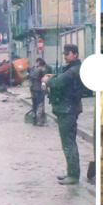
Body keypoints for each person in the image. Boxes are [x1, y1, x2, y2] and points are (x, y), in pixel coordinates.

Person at [42, 44, 85, 185]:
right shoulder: (71, 68)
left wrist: (48, 80)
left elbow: (59, 82)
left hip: (68, 110)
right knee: (67, 142)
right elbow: (60, 77)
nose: (65, 56)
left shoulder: (74, 70)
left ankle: (73, 175)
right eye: (64, 53)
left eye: (68, 53)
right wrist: (53, 76)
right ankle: (70, 172)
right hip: (66, 109)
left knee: (68, 143)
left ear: (75, 54)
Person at [29, 58, 48, 126]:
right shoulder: (42, 69)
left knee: (34, 105)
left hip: (33, 89)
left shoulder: (34, 69)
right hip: (39, 89)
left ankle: (34, 120)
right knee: (40, 104)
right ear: (44, 65)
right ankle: (40, 121)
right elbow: (44, 80)